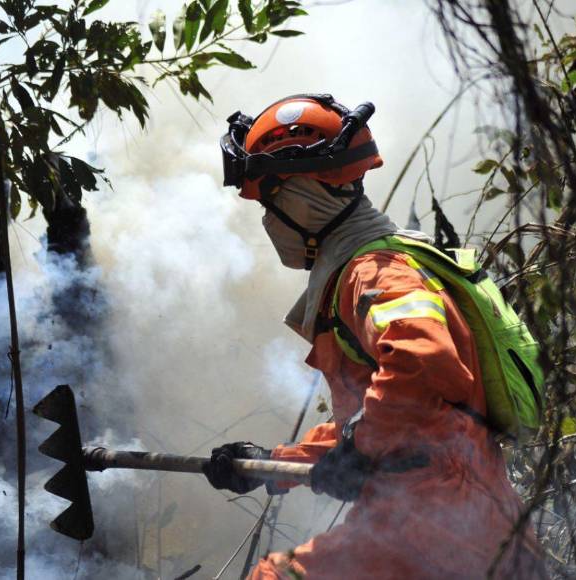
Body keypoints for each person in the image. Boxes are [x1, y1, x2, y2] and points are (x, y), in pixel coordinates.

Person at [206, 94, 546, 579]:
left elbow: (423, 361)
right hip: (460, 522)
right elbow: (386, 417)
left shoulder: (374, 272)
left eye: (270, 201)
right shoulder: (373, 265)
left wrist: (360, 450)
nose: (267, 221)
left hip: (434, 525)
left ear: (303, 194)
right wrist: (271, 465)